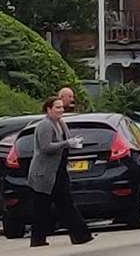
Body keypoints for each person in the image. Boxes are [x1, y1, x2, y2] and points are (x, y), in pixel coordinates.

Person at [28, 95, 92, 247]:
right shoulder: (45, 125)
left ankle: (80, 235)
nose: (60, 110)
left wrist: (74, 143)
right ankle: (38, 239)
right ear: (48, 109)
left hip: (59, 170)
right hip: (44, 173)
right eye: (57, 107)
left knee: (65, 203)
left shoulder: (61, 123)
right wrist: (65, 143)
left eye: (61, 107)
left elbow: (66, 141)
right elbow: (45, 147)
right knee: (42, 206)